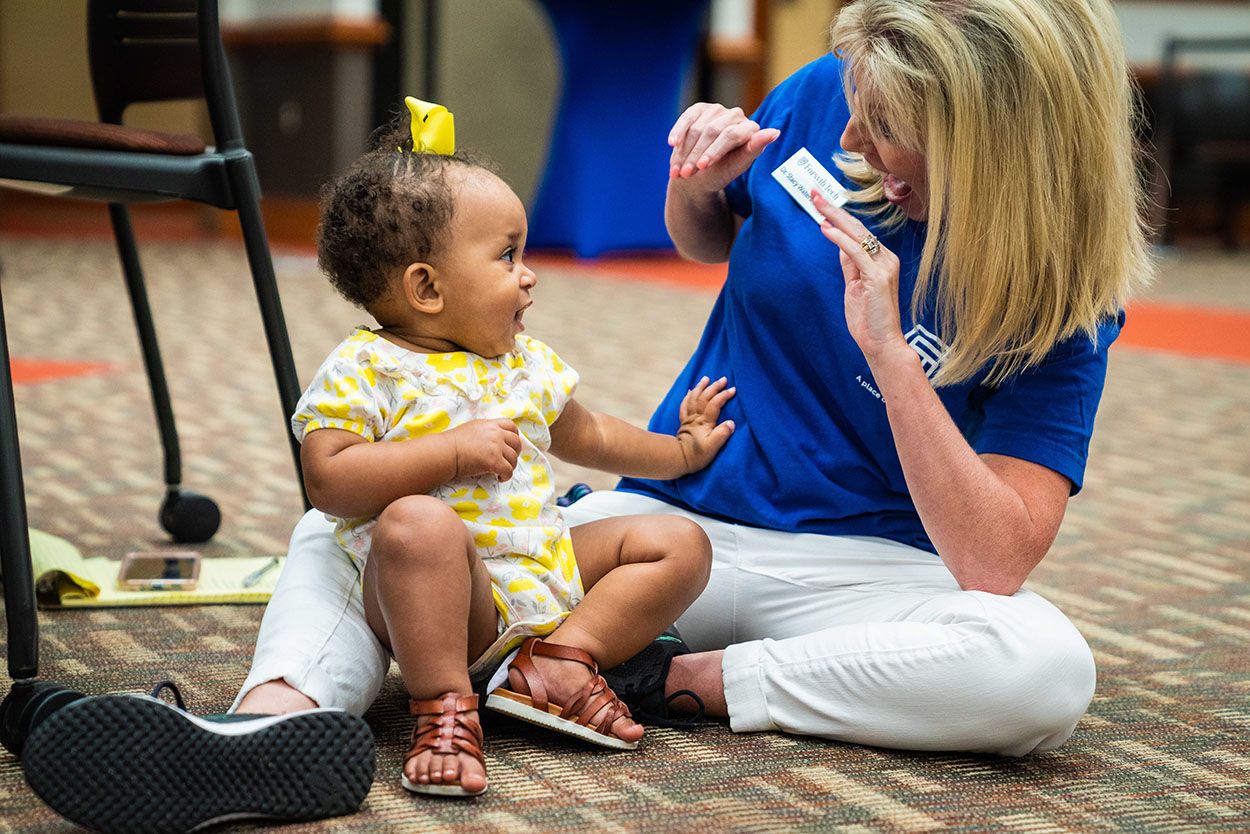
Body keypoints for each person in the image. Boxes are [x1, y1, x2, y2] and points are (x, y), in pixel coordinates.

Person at [18, 0, 1153, 827]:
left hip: (856, 577)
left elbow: (993, 560)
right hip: (673, 524)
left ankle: (668, 683)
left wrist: (884, 348)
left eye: (886, 128)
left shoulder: (1061, 295)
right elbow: (709, 236)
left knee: (1040, 668)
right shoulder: (825, 97)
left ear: (991, 141)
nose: (849, 140)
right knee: (373, 518)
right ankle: (273, 723)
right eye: (854, 111)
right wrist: (692, 182)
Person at [289, 112, 735, 797]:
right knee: (417, 524)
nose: (529, 277)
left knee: (678, 543)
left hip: (541, 570)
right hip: (446, 599)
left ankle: (559, 661)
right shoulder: (365, 367)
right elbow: (329, 482)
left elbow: (598, 436)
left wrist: (682, 450)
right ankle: (444, 710)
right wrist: (449, 453)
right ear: (427, 289)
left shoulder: (521, 364)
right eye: (507, 257)